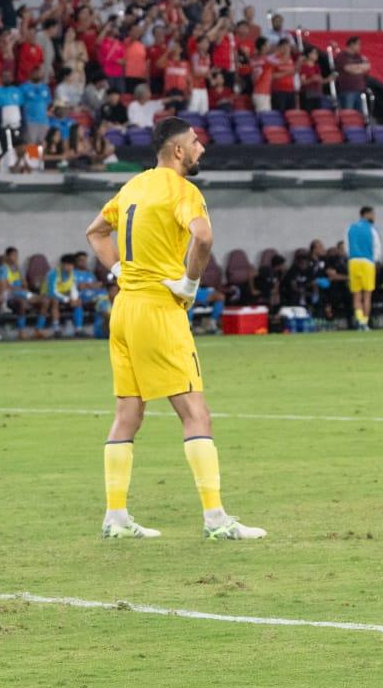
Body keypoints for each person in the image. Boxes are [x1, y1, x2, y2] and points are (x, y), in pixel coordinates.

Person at [84, 117, 266, 541]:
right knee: (196, 413)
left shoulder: (134, 186)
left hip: (124, 309)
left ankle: (115, 517)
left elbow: (96, 232)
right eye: (196, 142)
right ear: (179, 150)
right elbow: (203, 238)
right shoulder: (182, 191)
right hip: (158, 310)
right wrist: (189, 283)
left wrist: (118, 270)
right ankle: (216, 520)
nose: (202, 148)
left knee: (128, 414)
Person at [346, 206, 383, 331]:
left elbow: (347, 247)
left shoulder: (350, 228)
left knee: (356, 295)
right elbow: (377, 247)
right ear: (366, 214)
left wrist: (351, 257)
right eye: (372, 214)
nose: (374, 216)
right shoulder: (372, 229)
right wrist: (375, 260)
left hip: (353, 262)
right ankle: (365, 322)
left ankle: (360, 321)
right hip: (367, 262)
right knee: (367, 295)